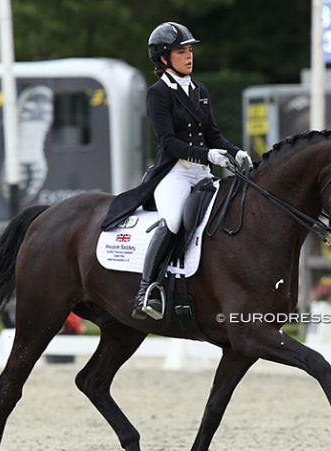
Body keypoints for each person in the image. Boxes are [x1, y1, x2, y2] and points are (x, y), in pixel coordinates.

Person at [101, 21, 252, 321]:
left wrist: (236, 151)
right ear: (163, 58)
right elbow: (168, 143)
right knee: (172, 221)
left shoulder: (200, 90)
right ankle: (147, 289)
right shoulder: (158, 94)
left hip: (202, 174)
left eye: (190, 50)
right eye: (181, 51)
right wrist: (207, 154)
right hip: (175, 173)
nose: (189, 56)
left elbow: (213, 134)